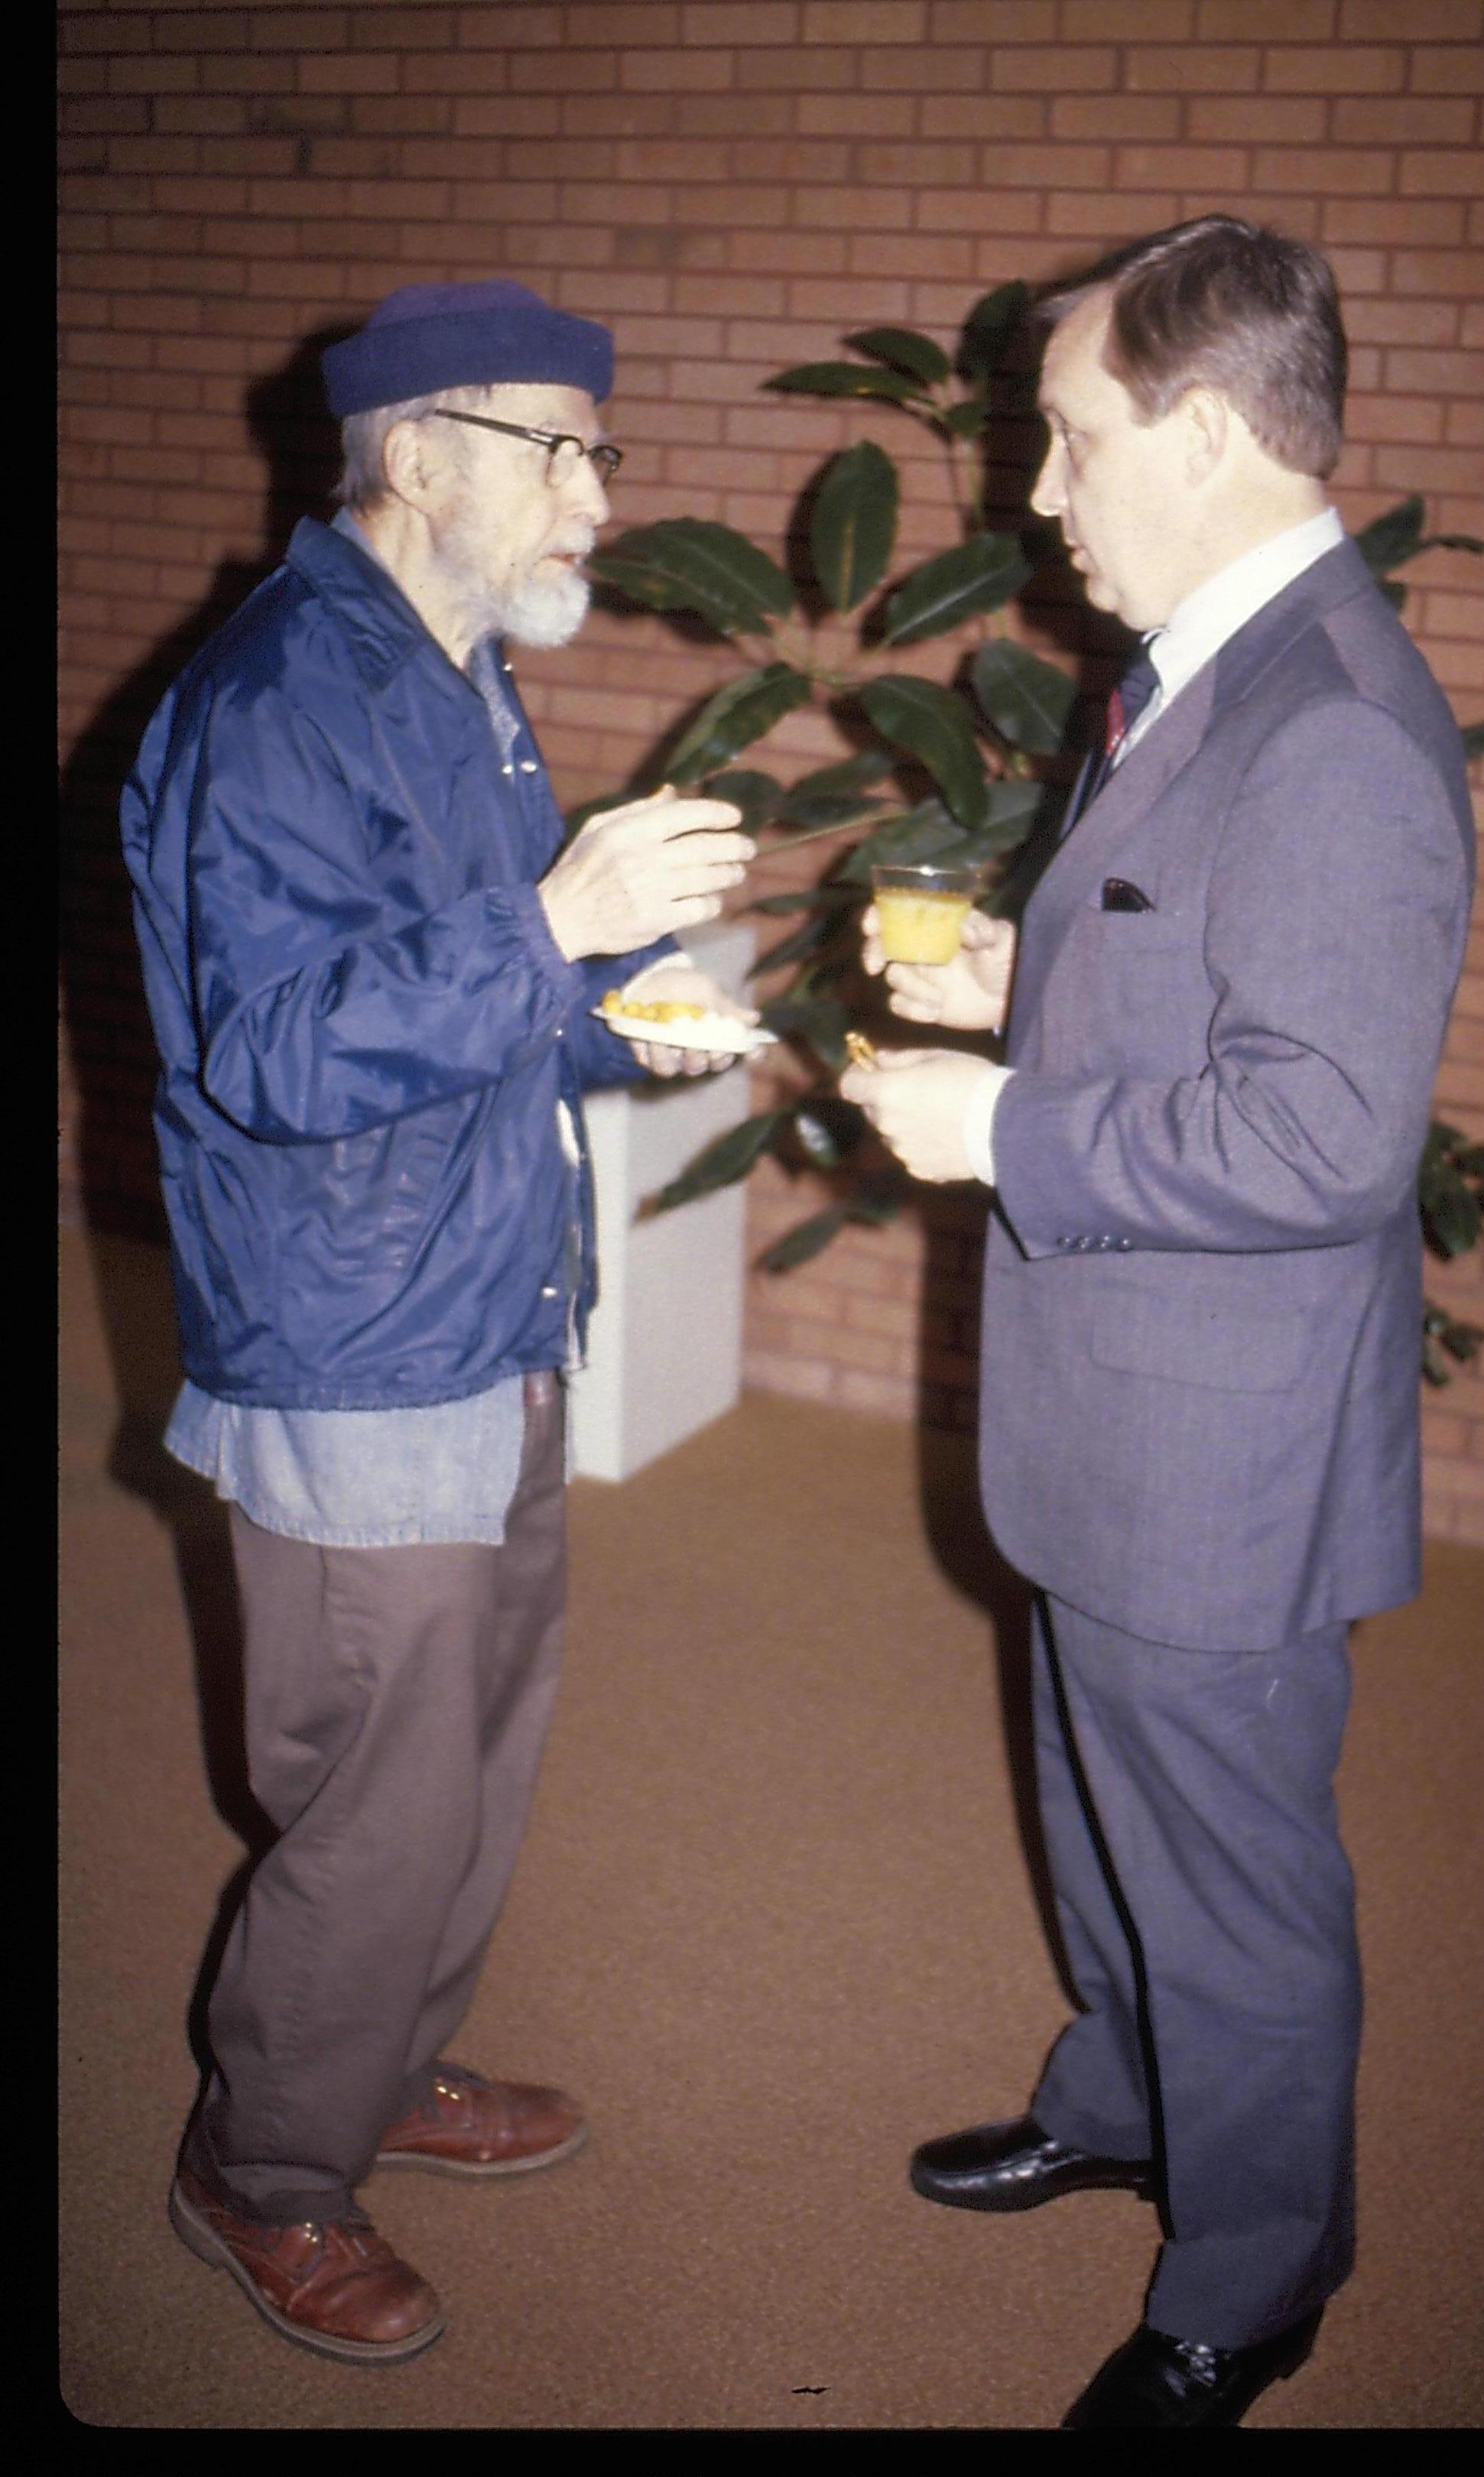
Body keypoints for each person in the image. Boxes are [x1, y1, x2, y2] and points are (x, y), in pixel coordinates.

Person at [843, 218, 1475, 2430]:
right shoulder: (1202, 663)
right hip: (1123, 1415)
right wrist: (1022, 989)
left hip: (1215, 1446)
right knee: (1099, 1798)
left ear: (1203, 433)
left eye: (1073, 443)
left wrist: (1008, 1123)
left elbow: (1317, 1139)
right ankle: (1125, 2095)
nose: (1040, 494)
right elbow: (1205, 974)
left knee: (1226, 1860)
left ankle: (1262, 2262)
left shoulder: (1336, 730)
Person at [120, 279, 758, 2365]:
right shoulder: (281, 703)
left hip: (487, 1294)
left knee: (478, 1745)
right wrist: (552, 922)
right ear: (417, 455)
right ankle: (268, 2168)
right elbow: (268, 1052)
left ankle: (378, 2061)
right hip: (353, 1331)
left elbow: (468, 1006)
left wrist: (611, 1021)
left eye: (598, 448)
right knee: (377, 1795)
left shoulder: (454, 671)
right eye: (556, 446)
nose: (597, 491)